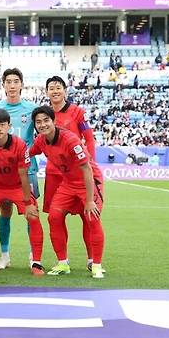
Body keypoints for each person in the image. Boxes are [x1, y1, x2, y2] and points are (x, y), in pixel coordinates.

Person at [30, 106, 106, 279]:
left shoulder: (70, 139)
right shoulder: (41, 141)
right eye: (38, 122)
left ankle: (96, 265)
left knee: (92, 218)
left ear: (53, 121)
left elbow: (87, 169)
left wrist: (89, 200)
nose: (42, 125)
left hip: (90, 181)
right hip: (68, 183)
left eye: (46, 120)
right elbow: (27, 154)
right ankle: (63, 263)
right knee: (54, 217)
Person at [0, 109, 45, 276]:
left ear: (9, 126)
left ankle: (36, 262)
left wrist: (28, 204)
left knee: (33, 216)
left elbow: (23, 175)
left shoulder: (19, 145)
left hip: (17, 186)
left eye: (2, 125)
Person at [45, 75, 98, 273]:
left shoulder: (77, 113)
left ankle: (92, 259)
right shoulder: (45, 115)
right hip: (54, 174)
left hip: (77, 174)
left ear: (65, 90)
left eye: (58, 87)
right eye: (51, 88)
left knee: (88, 216)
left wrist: (90, 161)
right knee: (56, 217)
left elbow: (89, 138)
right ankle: (62, 261)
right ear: (47, 92)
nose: (55, 91)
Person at [0, 68, 39, 270]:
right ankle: (5, 255)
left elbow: (42, 135)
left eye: (15, 81)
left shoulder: (32, 108)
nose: (12, 85)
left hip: (28, 171)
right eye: (8, 81)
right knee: (5, 212)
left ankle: (33, 256)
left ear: (21, 84)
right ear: (3, 85)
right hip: (2, 172)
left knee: (31, 212)